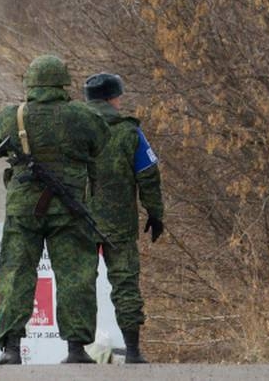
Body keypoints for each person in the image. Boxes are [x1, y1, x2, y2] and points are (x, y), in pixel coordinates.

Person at [0, 55, 110, 365]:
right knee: (76, 276)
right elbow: (100, 143)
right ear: (62, 83)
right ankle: (76, 349)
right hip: (69, 210)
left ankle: (11, 348)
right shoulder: (82, 115)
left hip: (23, 210)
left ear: (30, 83)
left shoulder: (12, 116)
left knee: (15, 274)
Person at [83, 73, 164, 364]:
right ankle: (132, 350)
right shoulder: (130, 131)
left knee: (78, 285)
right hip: (119, 224)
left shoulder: (73, 127)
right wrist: (155, 213)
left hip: (78, 223)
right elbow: (148, 176)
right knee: (126, 284)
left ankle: (75, 351)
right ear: (112, 98)